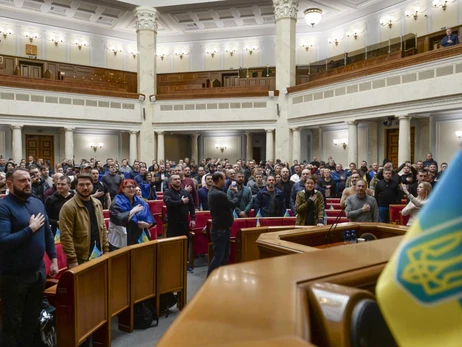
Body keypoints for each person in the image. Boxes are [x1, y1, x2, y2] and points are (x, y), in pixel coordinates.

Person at [0, 168, 58, 347]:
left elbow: (48, 233)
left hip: (37, 272)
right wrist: (30, 229)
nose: (27, 183)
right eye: (22, 181)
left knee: (32, 319)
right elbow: (3, 241)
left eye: (28, 179)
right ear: (9, 184)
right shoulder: (4, 207)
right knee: (13, 322)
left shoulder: (37, 203)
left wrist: (54, 259)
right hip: (14, 276)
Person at [59, 173, 109, 267]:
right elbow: (66, 236)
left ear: (92, 185)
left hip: (98, 253)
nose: (85, 187)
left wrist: (106, 249)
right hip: (80, 258)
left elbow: (102, 227)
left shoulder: (97, 203)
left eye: (88, 184)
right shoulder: (68, 207)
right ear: (76, 186)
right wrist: (72, 260)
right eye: (81, 185)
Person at [207, 172, 240, 276]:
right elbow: (233, 204)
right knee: (219, 256)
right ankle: (210, 278)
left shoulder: (215, 191)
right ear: (220, 180)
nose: (225, 181)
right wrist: (237, 193)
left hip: (223, 228)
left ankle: (219, 276)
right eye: (224, 179)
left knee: (225, 255)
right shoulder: (218, 194)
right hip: (220, 229)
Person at [108, 179, 154, 250]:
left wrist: (148, 225)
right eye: (128, 187)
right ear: (122, 189)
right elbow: (118, 219)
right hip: (123, 236)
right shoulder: (116, 202)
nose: (132, 189)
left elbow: (150, 217)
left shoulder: (140, 201)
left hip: (140, 234)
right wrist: (132, 211)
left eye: (133, 186)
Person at [163, 174, 195, 272]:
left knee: (186, 243)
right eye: (175, 179)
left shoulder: (185, 192)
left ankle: (185, 264)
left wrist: (193, 218)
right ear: (171, 182)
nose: (178, 181)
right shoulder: (168, 192)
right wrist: (181, 202)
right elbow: (168, 203)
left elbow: (191, 205)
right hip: (173, 222)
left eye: (179, 179)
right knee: (172, 243)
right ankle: (172, 263)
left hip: (184, 222)